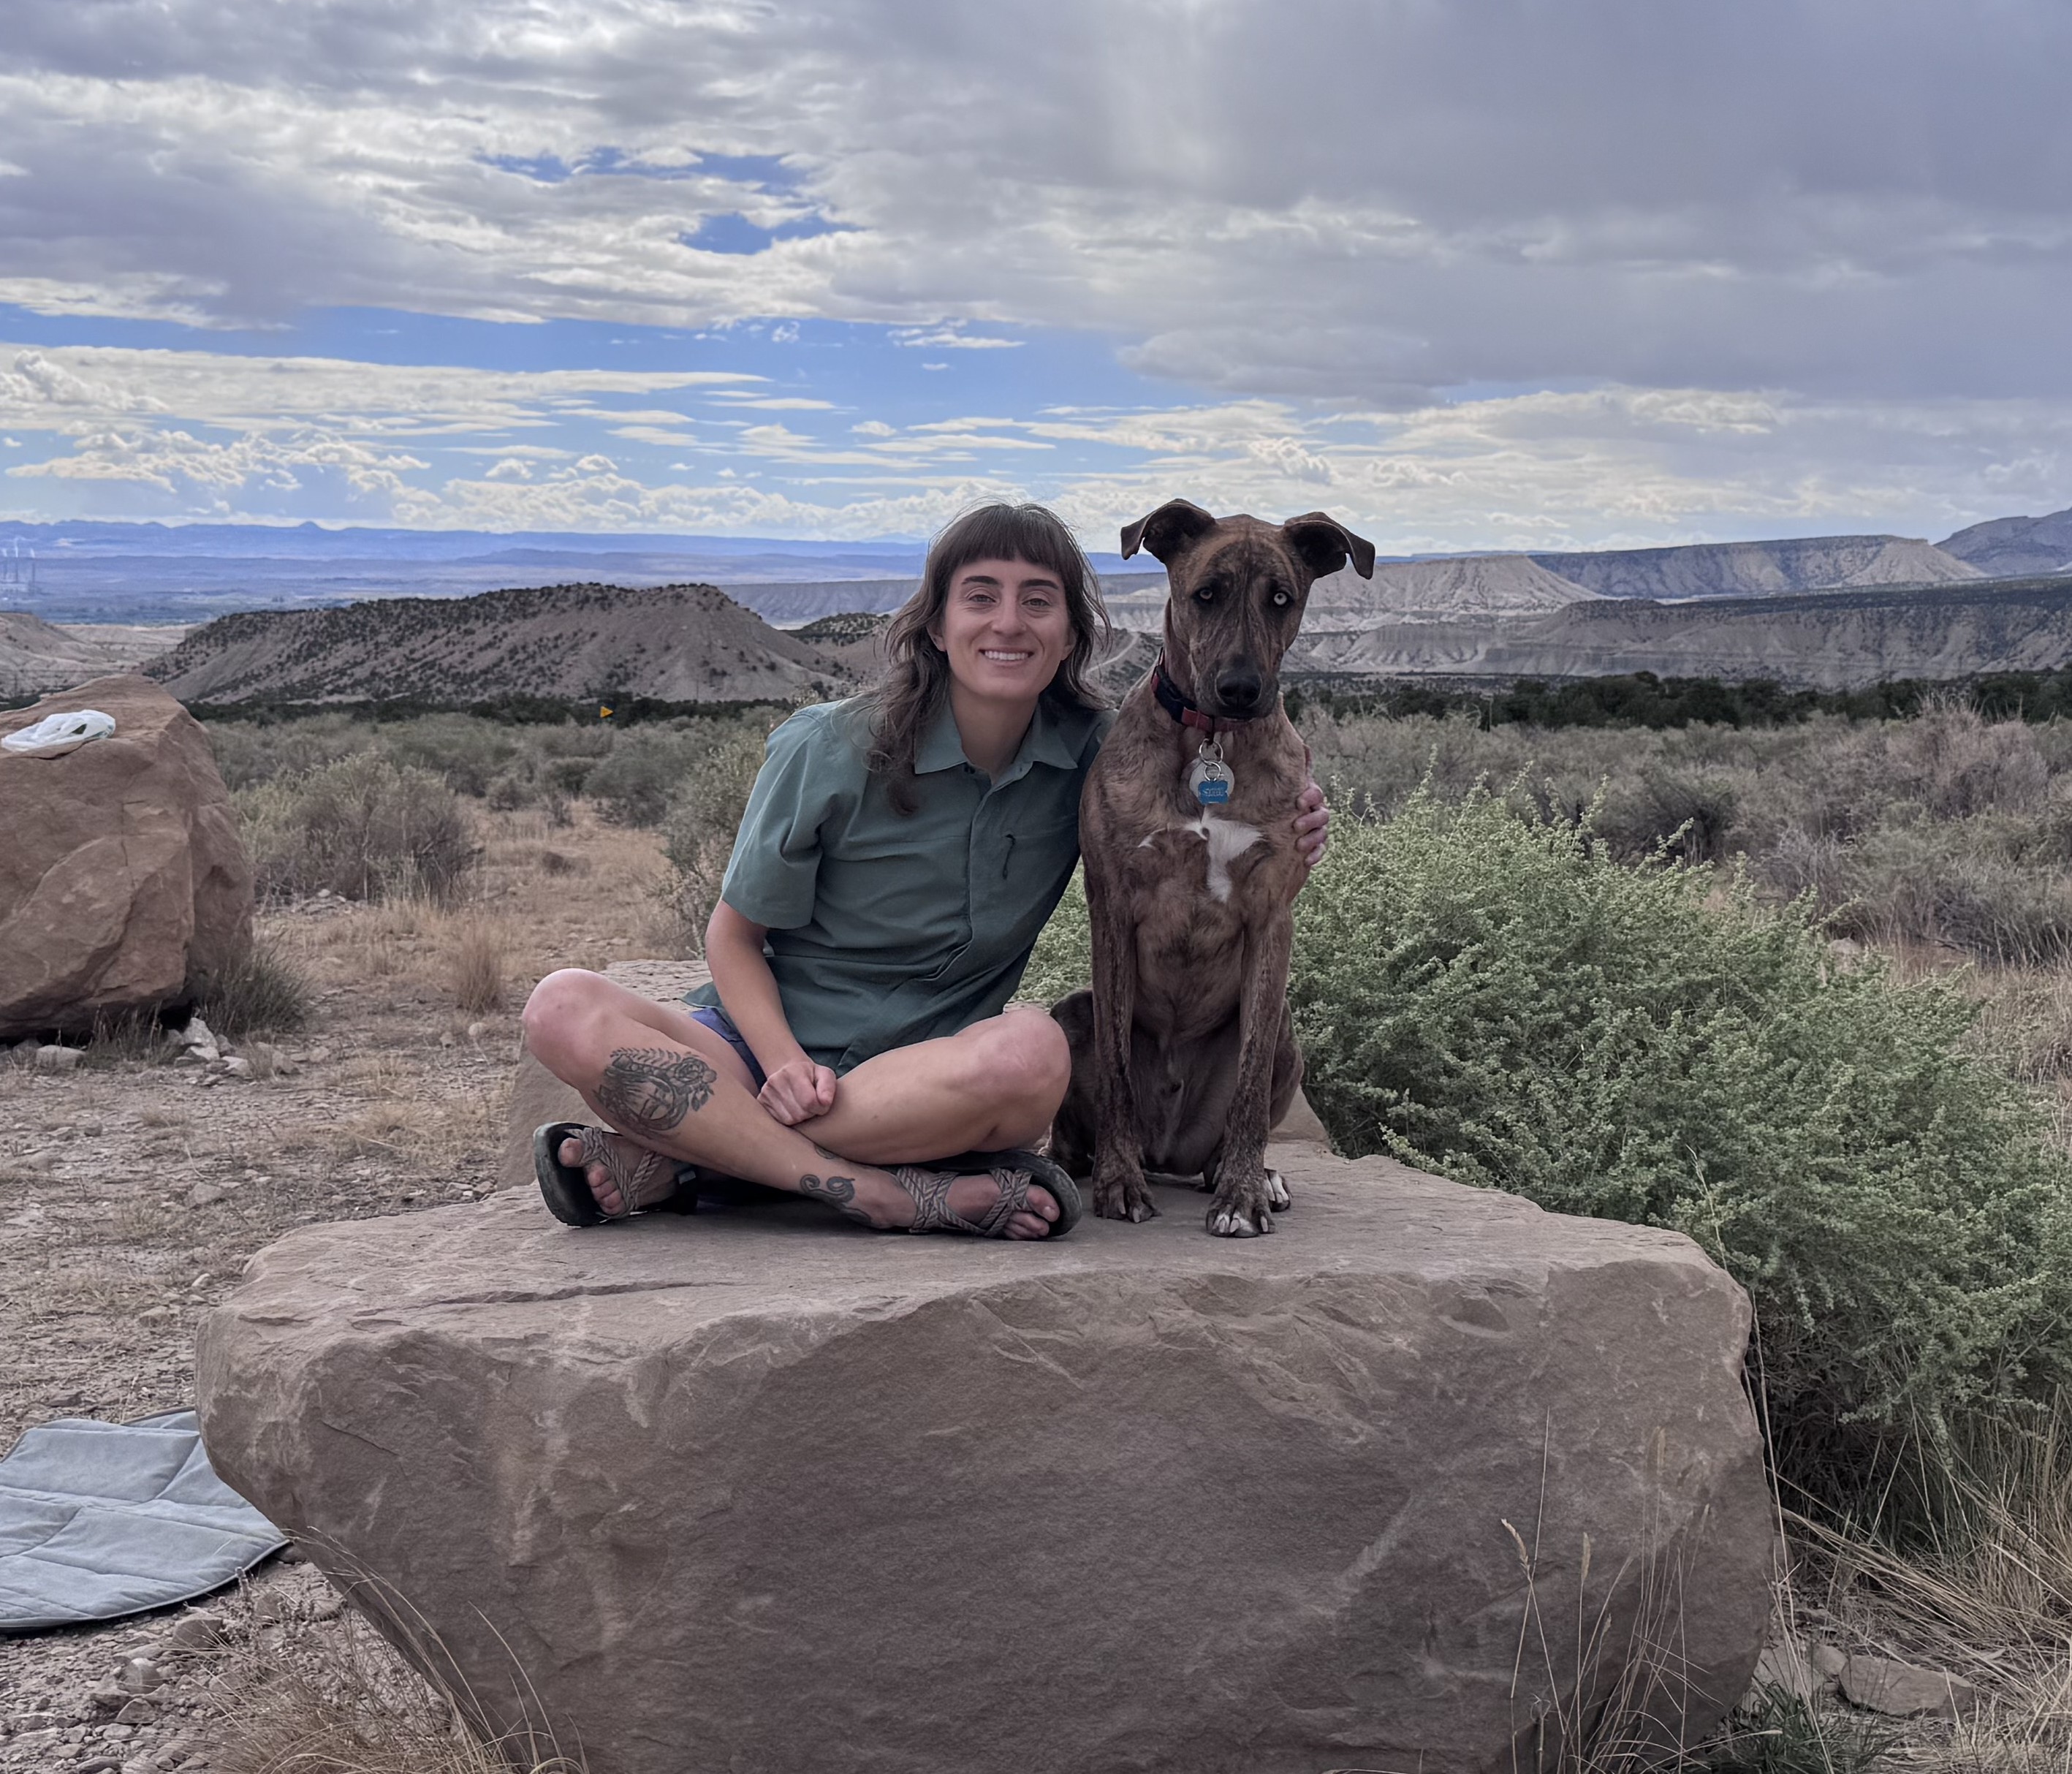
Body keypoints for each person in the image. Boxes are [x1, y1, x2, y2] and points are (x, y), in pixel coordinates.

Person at [521, 501, 1327, 1240]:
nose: (1008, 623)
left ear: (1072, 633)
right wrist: (784, 1065)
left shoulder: (1098, 758)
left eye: (1038, 601)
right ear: (937, 623)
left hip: (921, 1082)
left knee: (1033, 1056)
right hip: (758, 1057)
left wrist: (1294, 820)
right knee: (560, 1006)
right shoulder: (828, 745)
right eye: (980, 596)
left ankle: (689, 1153)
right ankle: (885, 1196)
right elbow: (732, 937)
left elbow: (1209, 817)